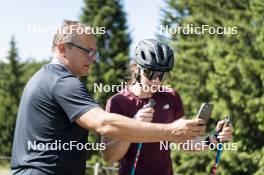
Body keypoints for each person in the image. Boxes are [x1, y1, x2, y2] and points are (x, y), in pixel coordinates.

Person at [10, 21, 206, 175]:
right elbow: (104, 123)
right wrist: (171, 131)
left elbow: (187, 144)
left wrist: (211, 140)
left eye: (95, 52)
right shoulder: (62, 82)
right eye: (89, 51)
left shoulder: (47, 77)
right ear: (63, 49)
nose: (94, 58)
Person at [101, 39, 233, 175]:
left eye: (162, 75)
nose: (156, 81)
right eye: (150, 73)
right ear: (135, 67)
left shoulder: (171, 96)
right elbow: (108, 157)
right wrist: (133, 126)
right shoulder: (118, 102)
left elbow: (185, 143)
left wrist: (215, 139)